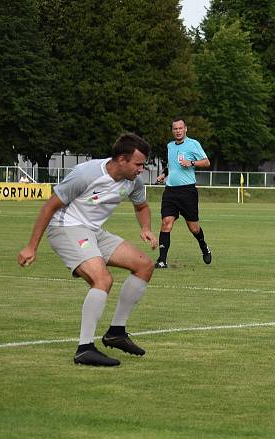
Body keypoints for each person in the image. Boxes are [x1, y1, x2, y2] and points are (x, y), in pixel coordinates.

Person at [18, 133, 157, 367]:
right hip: (66, 228)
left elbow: (141, 206)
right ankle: (85, 349)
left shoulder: (133, 181)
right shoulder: (86, 174)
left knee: (144, 265)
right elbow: (50, 206)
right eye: (138, 164)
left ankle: (116, 332)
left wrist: (145, 228)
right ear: (121, 159)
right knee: (103, 279)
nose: (141, 169)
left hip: (93, 232)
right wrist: (31, 246)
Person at [153, 117, 211, 269]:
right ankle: (162, 260)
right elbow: (172, 166)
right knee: (166, 223)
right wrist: (164, 175)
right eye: (175, 129)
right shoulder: (170, 146)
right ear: (172, 131)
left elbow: (206, 162)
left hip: (187, 191)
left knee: (194, 228)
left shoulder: (193, 144)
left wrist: (191, 163)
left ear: (185, 129)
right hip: (170, 191)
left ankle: (204, 246)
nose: (178, 131)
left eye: (180, 128)